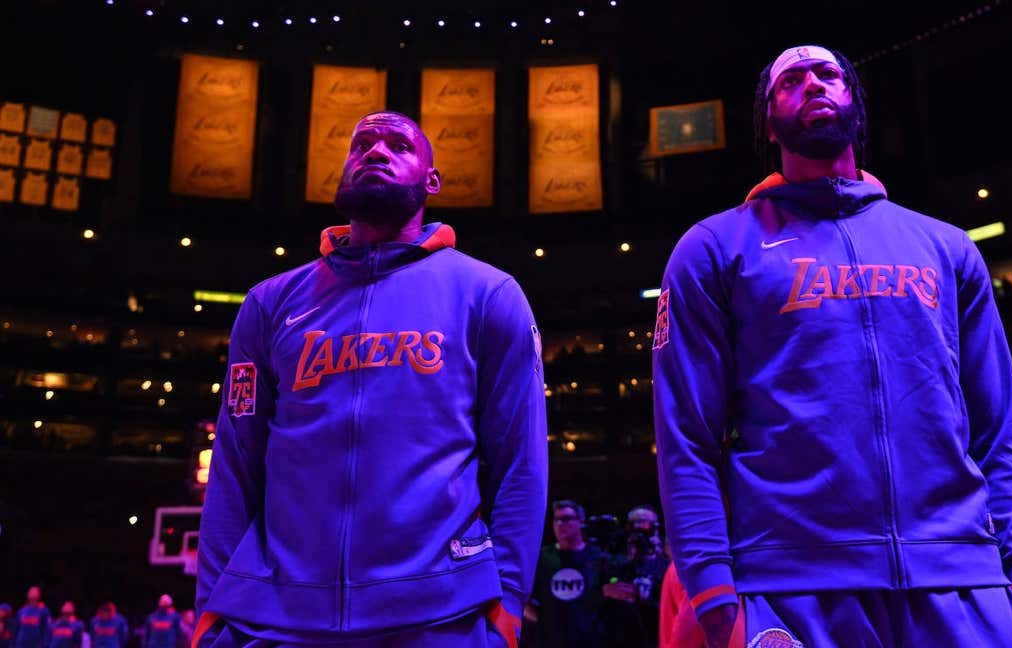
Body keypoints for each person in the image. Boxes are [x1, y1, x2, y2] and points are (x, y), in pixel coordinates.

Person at [653, 44, 1012, 648]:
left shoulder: (945, 247)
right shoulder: (714, 248)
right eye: (791, 80)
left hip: (964, 580)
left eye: (828, 73)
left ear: (855, 107)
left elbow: (998, 428)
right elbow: (685, 435)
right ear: (768, 121)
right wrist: (713, 597)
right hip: (791, 585)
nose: (812, 83)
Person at [194, 110, 548, 648]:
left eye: (398, 146)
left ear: (431, 182)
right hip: (277, 618)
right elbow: (234, 464)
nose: (376, 152)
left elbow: (520, 462)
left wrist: (508, 606)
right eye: (362, 143)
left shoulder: (489, 295)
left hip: (443, 613)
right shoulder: (269, 303)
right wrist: (208, 612)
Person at [527, 500, 607, 648]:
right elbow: (524, 598)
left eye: (566, 519)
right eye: (556, 520)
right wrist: (543, 621)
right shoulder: (542, 557)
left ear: (580, 521)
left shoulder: (598, 556)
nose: (560, 524)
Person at [600, 506, 671, 647]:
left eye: (644, 523)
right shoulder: (614, 564)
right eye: (634, 524)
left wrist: (642, 599)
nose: (639, 529)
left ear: (656, 528)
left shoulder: (666, 567)